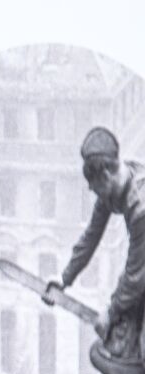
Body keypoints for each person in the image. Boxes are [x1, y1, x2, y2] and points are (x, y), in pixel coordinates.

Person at [46, 127, 145, 358]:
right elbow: (91, 236)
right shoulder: (115, 184)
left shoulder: (140, 209)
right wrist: (64, 277)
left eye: (93, 184)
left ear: (106, 176)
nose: (91, 189)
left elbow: (135, 274)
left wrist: (111, 312)